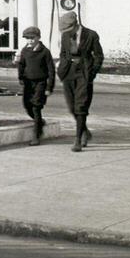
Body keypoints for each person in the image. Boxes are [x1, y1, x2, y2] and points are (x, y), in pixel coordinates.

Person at [56, 10, 103, 152]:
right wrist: (61, 71)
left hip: (84, 72)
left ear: (76, 25)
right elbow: (63, 54)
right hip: (69, 72)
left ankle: (77, 139)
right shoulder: (65, 36)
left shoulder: (91, 35)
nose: (67, 32)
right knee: (71, 107)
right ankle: (84, 130)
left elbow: (99, 56)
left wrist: (92, 72)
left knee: (81, 105)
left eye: (69, 29)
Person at [16, 25, 55, 145]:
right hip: (28, 82)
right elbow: (21, 65)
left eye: (32, 38)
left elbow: (51, 70)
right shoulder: (25, 50)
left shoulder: (45, 52)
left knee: (36, 106)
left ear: (38, 38)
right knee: (27, 105)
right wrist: (21, 77)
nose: (30, 41)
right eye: (27, 38)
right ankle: (39, 122)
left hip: (40, 82)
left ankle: (36, 135)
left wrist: (49, 87)